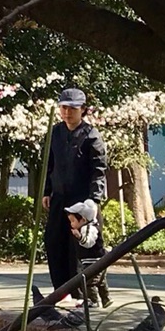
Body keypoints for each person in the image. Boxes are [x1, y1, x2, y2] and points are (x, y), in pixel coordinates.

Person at [41, 87, 109, 314]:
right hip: (59, 198)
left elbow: (98, 171)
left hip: (83, 203)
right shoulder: (55, 133)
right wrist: (46, 191)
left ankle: (88, 295)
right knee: (54, 242)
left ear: (83, 110)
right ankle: (61, 291)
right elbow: (49, 165)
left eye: (72, 108)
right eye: (63, 107)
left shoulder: (91, 136)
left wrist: (94, 201)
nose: (67, 112)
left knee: (82, 249)